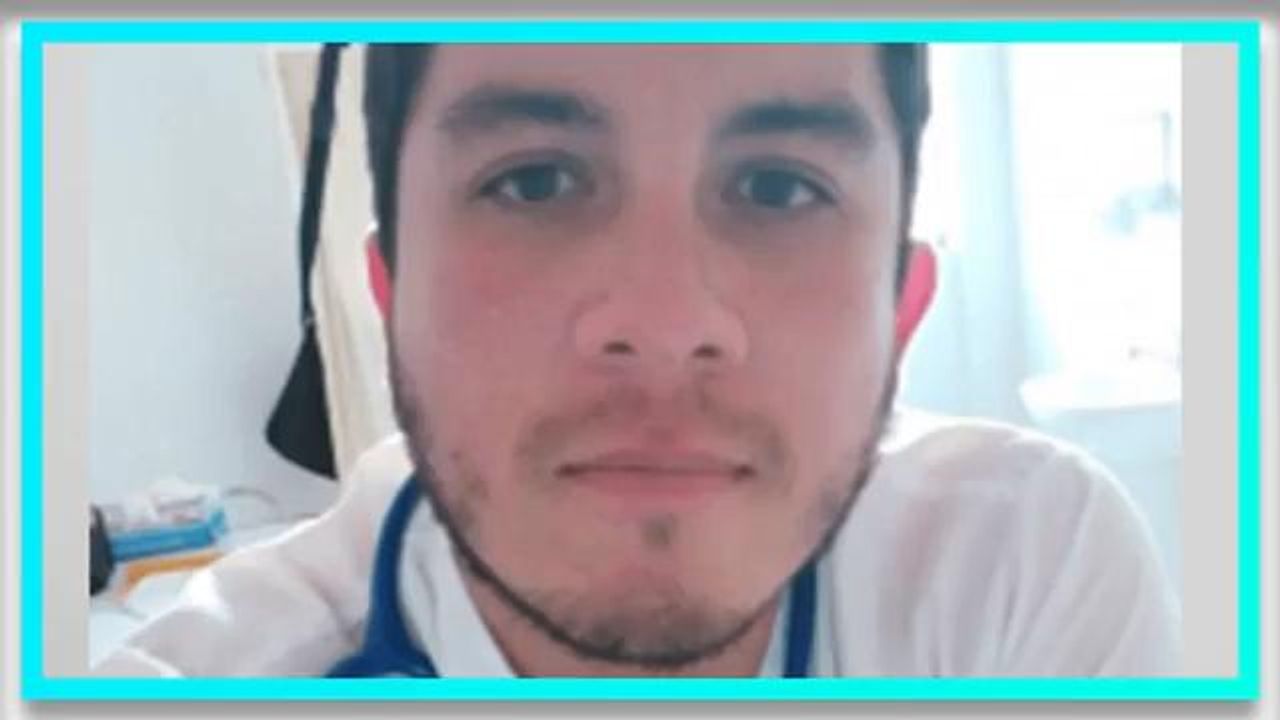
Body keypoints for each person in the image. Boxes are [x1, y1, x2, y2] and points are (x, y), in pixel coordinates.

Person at [95, 42, 1179, 678]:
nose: (663, 323)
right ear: (389, 296)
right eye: (533, 182)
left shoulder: (1022, 572)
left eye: (778, 187)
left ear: (901, 307)